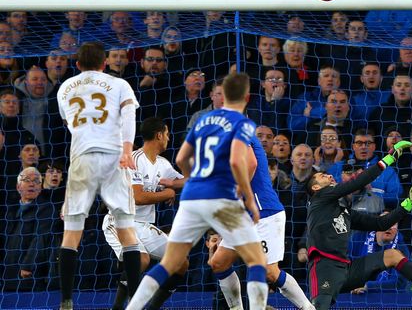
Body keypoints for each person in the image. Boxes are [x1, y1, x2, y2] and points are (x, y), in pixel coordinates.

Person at [126, 73, 268, 310]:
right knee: (256, 261)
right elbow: (244, 163)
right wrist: (245, 196)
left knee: (169, 262)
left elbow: (182, 158)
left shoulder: (203, 121)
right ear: (245, 97)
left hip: (193, 199)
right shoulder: (241, 123)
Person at [304, 140, 412, 309]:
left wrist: (409, 202)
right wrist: (388, 159)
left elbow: (381, 223)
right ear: (316, 187)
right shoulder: (319, 200)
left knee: (393, 255)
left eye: (328, 174)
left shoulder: (343, 211)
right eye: (323, 176)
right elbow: (356, 183)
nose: (330, 175)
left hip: (346, 269)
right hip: (324, 268)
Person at [55, 42, 142, 310]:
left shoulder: (64, 88)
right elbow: (128, 117)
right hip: (115, 156)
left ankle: (66, 300)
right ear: (105, 63)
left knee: (71, 234)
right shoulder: (119, 84)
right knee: (127, 232)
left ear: (77, 64)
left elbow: (71, 124)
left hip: (81, 157)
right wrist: (127, 150)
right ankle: (136, 301)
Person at [207, 117, 315, 310]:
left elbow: (251, 164)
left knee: (270, 272)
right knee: (219, 263)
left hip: (264, 212)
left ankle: (308, 308)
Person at [104, 117, 187, 310]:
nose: (168, 137)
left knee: (180, 262)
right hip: (120, 222)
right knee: (141, 259)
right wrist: (168, 192)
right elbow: (138, 197)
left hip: (144, 225)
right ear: (159, 135)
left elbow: (182, 181)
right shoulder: (133, 160)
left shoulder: (163, 164)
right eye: (166, 134)